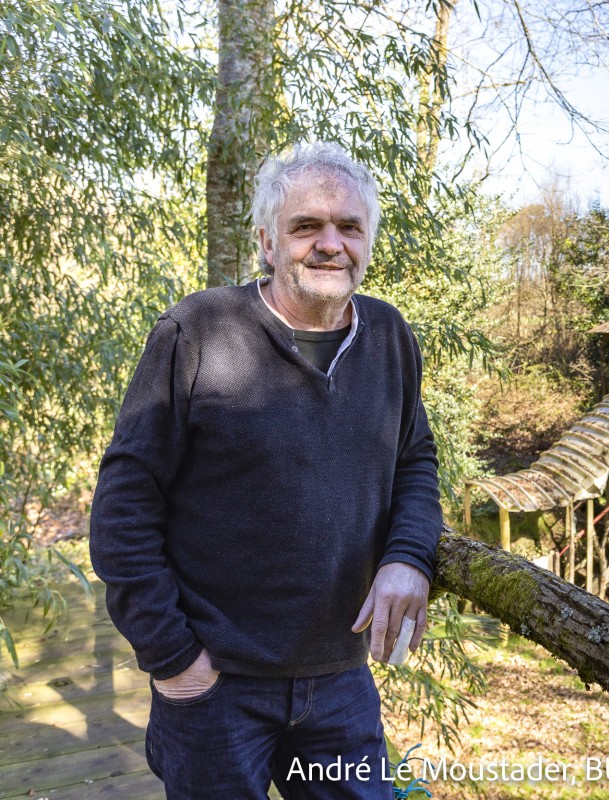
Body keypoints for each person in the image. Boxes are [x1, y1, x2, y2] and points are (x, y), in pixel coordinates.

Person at [89, 141, 443, 799]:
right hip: (215, 685)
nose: (329, 244)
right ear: (267, 242)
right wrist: (174, 660)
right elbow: (124, 506)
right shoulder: (197, 331)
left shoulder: (390, 336)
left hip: (340, 677)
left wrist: (409, 557)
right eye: (306, 226)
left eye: (348, 227)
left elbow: (415, 457)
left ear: (367, 242)